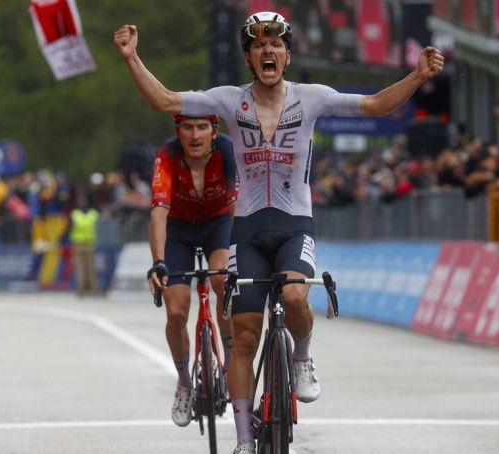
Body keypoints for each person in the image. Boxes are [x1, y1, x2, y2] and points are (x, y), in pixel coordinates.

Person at [115, 11, 443, 453]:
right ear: (249, 58)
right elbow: (165, 101)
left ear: (287, 55)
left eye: (276, 44)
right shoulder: (229, 101)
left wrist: (418, 75)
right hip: (246, 229)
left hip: (293, 225)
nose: (268, 50)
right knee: (244, 334)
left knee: (294, 296)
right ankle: (246, 440)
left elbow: (376, 104)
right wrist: (132, 58)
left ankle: (302, 355)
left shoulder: (312, 98)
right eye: (258, 45)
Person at [145, 113, 237, 428]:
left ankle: (230, 368)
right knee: (176, 313)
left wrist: (240, 252)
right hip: (179, 230)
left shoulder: (227, 151)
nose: (195, 135)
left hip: (218, 224)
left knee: (223, 279)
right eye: (188, 127)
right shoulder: (167, 155)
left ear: (214, 131)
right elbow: (158, 212)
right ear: (178, 131)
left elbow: (238, 206)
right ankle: (184, 382)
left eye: (202, 127)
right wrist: (158, 261)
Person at [68, 195, 100, 296]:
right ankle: (93, 289)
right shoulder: (93, 214)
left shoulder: (75, 214)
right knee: (91, 269)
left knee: (80, 268)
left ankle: (81, 290)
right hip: (90, 244)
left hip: (78, 244)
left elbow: (69, 228)